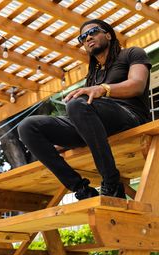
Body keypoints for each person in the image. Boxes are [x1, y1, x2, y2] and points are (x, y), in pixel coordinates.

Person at [18, 19, 152, 200]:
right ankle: (81, 189)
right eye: (82, 37)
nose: (88, 37)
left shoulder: (132, 53)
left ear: (108, 34)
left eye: (93, 31)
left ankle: (111, 182)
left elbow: (137, 85)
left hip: (130, 115)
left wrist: (103, 89)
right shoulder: (93, 74)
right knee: (27, 126)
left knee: (77, 103)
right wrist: (57, 139)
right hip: (98, 124)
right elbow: (84, 114)